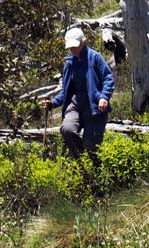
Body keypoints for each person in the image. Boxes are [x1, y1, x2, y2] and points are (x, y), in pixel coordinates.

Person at [42, 28, 116, 158]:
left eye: (75, 46)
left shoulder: (95, 57)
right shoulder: (69, 63)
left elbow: (108, 78)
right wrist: (53, 103)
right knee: (67, 130)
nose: (72, 49)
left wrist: (104, 97)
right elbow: (66, 91)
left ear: (83, 42)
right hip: (75, 105)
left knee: (92, 146)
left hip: (94, 107)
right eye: (70, 47)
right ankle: (81, 160)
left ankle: (90, 167)